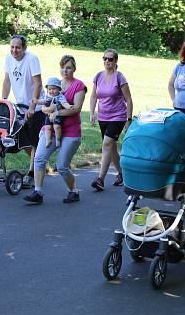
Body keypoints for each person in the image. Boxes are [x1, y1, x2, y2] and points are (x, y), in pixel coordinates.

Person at [24, 55, 88, 204]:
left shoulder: (79, 86)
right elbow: (45, 107)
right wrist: (48, 109)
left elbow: (76, 109)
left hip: (70, 132)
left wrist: (56, 112)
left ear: (74, 69)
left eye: (69, 67)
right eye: (63, 67)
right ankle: (37, 192)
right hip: (50, 129)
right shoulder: (55, 85)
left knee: (62, 166)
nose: (65, 70)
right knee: (39, 159)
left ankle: (74, 191)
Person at [2, 34, 44, 189]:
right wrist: (4, 100)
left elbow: (38, 84)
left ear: (24, 48)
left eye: (18, 47)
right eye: (12, 47)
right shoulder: (8, 58)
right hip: (20, 106)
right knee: (24, 141)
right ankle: (39, 165)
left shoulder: (32, 59)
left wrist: (33, 106)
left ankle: (32, 175)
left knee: (34, 142)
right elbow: (7, 80)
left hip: (36, 107)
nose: (14, 50)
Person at [90, 48, 133, 191]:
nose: (107, 61)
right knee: (112, 148)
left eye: (110, 59)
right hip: (103, 116)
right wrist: (92, 113)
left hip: (118, 116)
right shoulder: (98, 76)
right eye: (105, 59)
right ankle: (122, 175)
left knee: (107, 144)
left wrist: (128, 118)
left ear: (115, 61)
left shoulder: (120, 77)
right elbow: (94, 96)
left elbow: (128, 98)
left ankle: (100, 179)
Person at [42, 77, 73, 148]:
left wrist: (68, 106)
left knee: (57, 126)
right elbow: (43, 103)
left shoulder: (60, 97)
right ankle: (48, 140)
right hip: (49, 114)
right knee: (48, 127)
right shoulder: (47, 96)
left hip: (57, 115)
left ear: (59, 89)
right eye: (49, 89)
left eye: (53, 89)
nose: (51, 91)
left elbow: (64, 103)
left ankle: (58, 139)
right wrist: (37, 101)